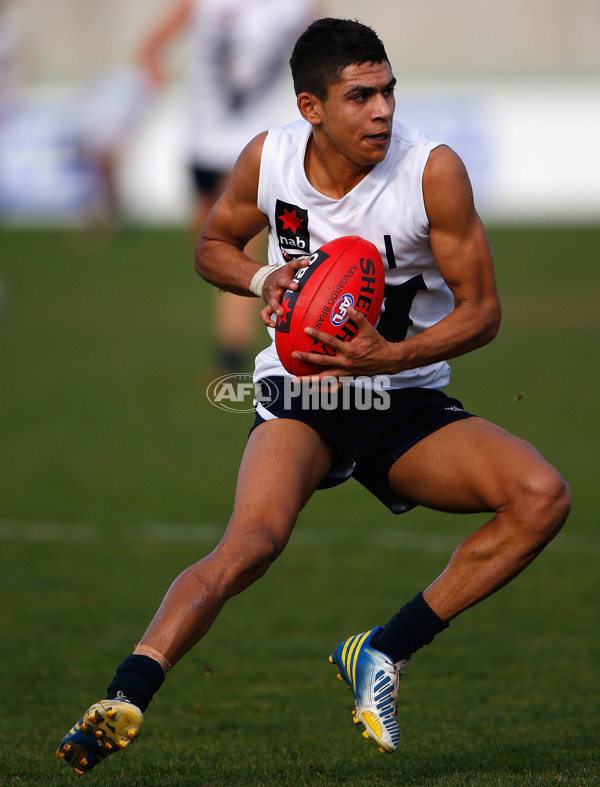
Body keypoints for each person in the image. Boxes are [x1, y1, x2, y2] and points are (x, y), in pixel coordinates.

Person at [56, 17, 571, 774]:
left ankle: (383, 648)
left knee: (541, 495)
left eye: (388, 90)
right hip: (301, 394)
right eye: (360, 96)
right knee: (250, 543)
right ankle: (125, 694)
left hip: (402, 399)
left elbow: (482, 312)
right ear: (311, 108)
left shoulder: (432, 170)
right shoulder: (269, 159)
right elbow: (211, 245)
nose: (383, 110)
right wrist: (266, 277)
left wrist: (390, 355)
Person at [137, 0, 317, 375]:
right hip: (203, 140)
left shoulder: (294, 6)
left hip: (252, 145)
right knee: (208, 251)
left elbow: (323, 51)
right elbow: (151, 44)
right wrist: (154, 69)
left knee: (238, 248)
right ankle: (240, 328)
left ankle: (230, 354)